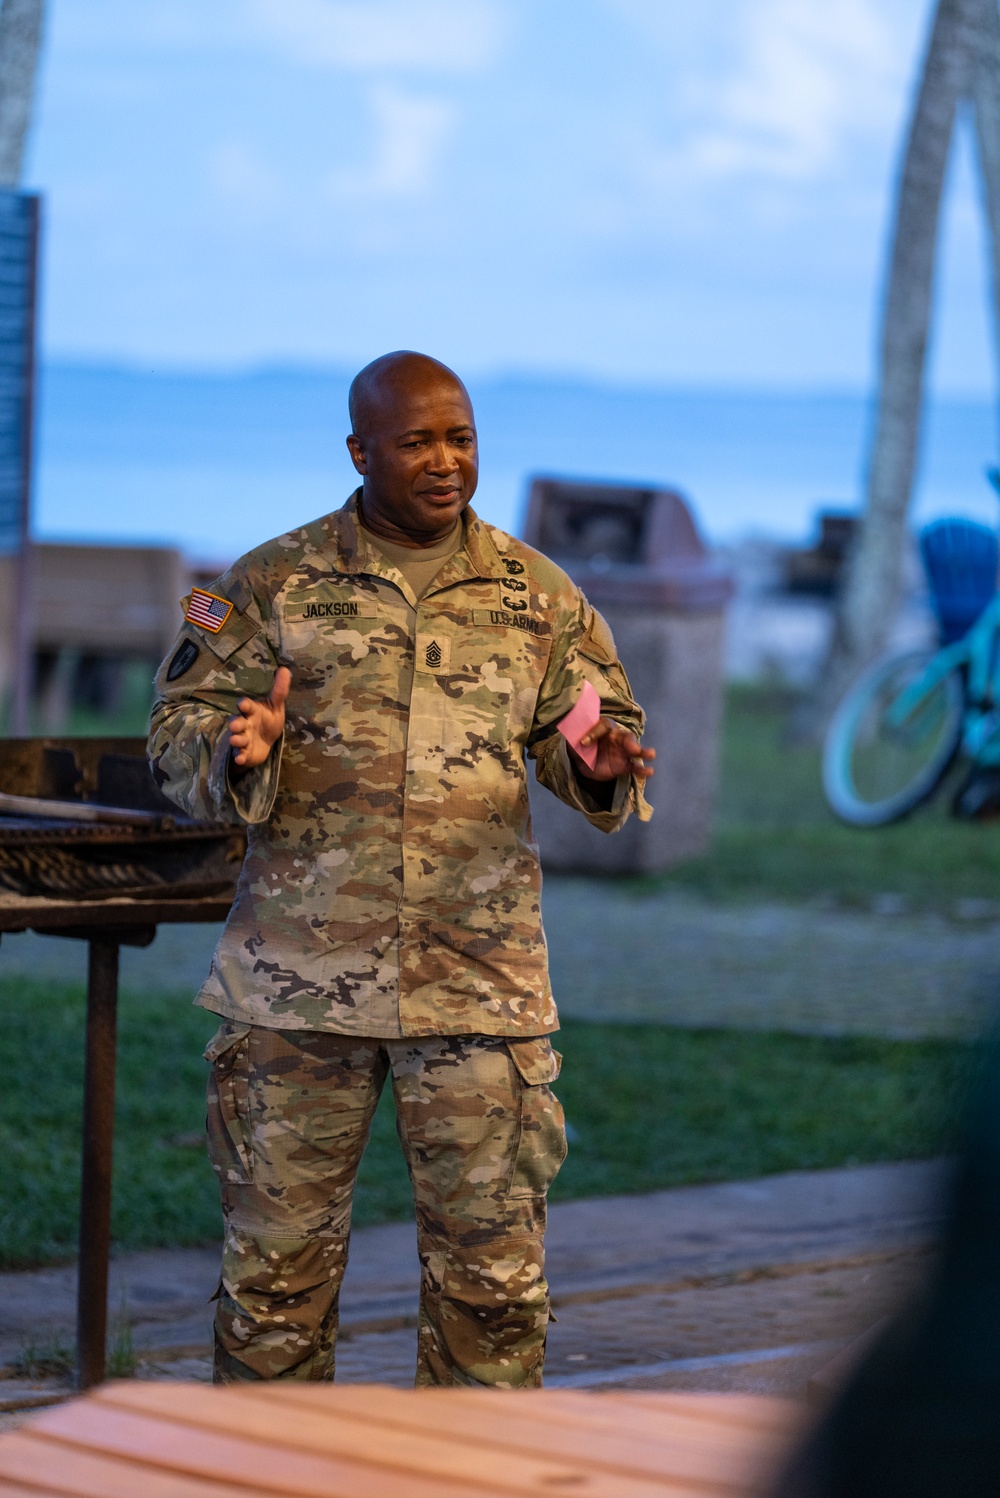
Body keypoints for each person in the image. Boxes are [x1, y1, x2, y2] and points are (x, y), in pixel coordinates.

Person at [148, 350, 655, 1386]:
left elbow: (598, 735)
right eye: (417, 441)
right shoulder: (270, 583)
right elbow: (176, 729)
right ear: (359, 450)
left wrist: (597, 763)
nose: (445, 462)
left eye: (460, 438)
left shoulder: (536, 595)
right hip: (297, 986)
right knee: (273, 1290)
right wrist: (232, 749)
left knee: (493, 1293)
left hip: (477, 986)